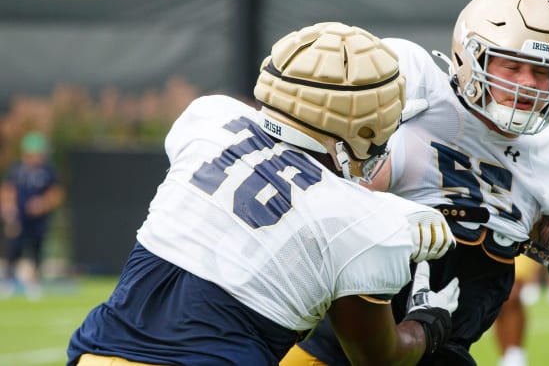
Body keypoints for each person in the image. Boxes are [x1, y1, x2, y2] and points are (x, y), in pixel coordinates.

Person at [66, 22, 461, 366]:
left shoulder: (207, 118)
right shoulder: (367, 222)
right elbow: (378, 358)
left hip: (94, 353)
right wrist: (428, 324)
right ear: (361, 126)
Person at [283, 0, 549, 366]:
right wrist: (387, 206)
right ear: (471, 58)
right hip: (345, 342)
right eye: (512, 66)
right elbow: (334, 191)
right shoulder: (418, 94)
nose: (529, 84)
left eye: (543, 71)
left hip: (443, 348)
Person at [1, 131, 64, 299]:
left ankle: (33, 282)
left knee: (37, 248)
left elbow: (56, 194)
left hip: (39, 219)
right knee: (14, 247)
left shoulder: (48, 171)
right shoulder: (17, 169)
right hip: (19, 217)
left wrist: (42, 204)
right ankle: (8, 281)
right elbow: (8, 190)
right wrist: (8, 209)